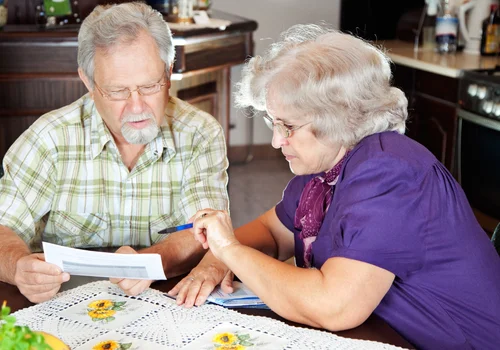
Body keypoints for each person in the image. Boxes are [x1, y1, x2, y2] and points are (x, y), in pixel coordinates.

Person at [170, 24, 500, 349]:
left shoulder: (390, 173)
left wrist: (230, 250)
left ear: (337, 118)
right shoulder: (325, 169)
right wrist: (216, 260)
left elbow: (335, 306)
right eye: (274, 122)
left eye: (288, 126)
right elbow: (272, 233)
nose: (275, 141)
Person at [0, 2, 228, 303]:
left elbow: (207, 232)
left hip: (165, 301)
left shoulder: (200, 133)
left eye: (150, 86)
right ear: (88, 82)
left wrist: (146, 263)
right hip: (65, 307)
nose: (136, 107)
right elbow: (3, 227)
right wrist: (19, 267)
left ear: (169, 72)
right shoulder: (50, 138)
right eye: (118, 92)